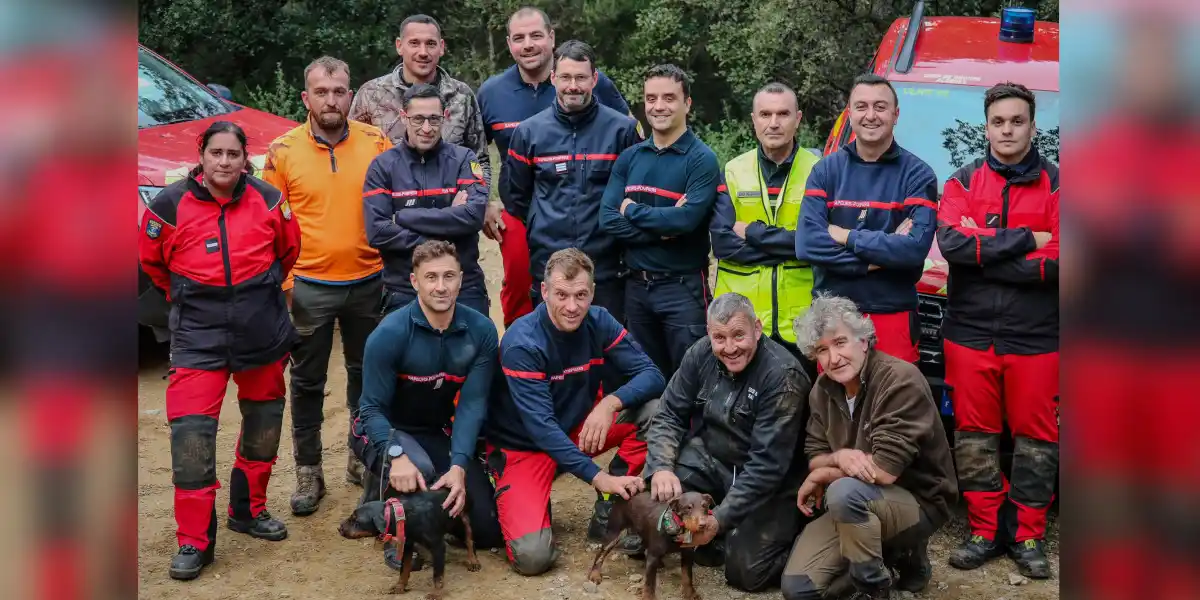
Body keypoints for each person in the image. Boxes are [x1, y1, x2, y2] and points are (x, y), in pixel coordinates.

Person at [138, 121, 301, 581]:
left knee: (264, 424)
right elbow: (152, 263)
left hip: (261, 329)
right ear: (202, 156)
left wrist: (255, 294)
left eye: (233, 154)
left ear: (244, 157)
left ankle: (248, 511)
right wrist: (191, 296)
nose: (225, 162)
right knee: (190, 438)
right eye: (216, 153)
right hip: (198, 336)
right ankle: (194, 541)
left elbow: (288, 252)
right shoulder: (167, 207)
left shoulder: (269, 199)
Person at [935, 82, 1059, 579]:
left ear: (1033, 125)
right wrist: (1029, 240)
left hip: (1037, 338)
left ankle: (1028, 535)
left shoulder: (1061, 184)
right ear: (985, 126)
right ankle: (985, 530)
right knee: (974, 438)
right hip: (969, 335)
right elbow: (952, 245)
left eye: (1017, 121)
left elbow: (1062, 265)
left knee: (1037, 440)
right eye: (998, 122)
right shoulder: (962, 181)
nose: (1007, 130)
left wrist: (985, 251)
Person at [259, 56, 393, 514]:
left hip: (369, 281)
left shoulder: (376, 142)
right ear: (306, 97)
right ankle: (308, 470)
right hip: (309, 287)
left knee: (366, 374)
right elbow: (269, 226)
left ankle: (361, 455)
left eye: (339, 91)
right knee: (307, 380)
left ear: (350, 95)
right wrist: (288, 283)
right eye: (322, 92)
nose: (331, 100)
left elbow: (391, 205)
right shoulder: (282, 152)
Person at [484, 248, 666, 575]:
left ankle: (608, 507)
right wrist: (599, 477)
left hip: (575, 429)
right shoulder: (522, 342)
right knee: (533, 558)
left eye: (581, 295)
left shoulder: (599, 321)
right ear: (544, 291)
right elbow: (542, 429)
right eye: (562, 295)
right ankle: (507, 485)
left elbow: (653, 375)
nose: (572, 306)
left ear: (592, 292)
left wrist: (610, 403)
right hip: (525, 448)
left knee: (653, 411)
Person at [781, 295, 957, 600]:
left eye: (840, 342)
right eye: (822, 350)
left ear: (863, 341)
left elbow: (885, 471)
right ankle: (890, 556)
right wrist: (838, 458)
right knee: (799, 589)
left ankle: (877, 589)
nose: (834, 358)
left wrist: (826, 475)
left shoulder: (899, 379)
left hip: (919, 499)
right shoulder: (821, 391)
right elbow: (814, 457)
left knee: (843, 494)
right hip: (857, 499)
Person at [478, 6, 636, 328]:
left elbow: (634, 174)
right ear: (554, 79)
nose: (573, 85)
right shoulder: (505, 107)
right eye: (565, 78)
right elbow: (510, 189)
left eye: (536, 35)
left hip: (605, 257)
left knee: (607, 346)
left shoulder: (618, 126)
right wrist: (490, 200)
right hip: (545, 248)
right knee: (545, 336)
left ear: (594, 79)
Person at [642, 292, 812, 592]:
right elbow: (668, 413)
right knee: (662, 496)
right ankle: (715, 530)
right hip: (715, 460)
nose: (730, 348)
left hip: (772, 482)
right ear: (709, 334)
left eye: (738, 335)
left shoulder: (782, 376)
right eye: (720, 338)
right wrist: (661, 467)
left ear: (757, 329)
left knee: (746, 574)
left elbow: (766, 467)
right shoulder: (700, 353)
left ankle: (800, 535)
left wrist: (719, 519)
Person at [351, 240, 505, 569]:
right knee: (416, 469)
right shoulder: (389, 334)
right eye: (431, 277)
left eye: (449, 276)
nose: (441, 286)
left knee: (489, 528)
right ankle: (393, 518)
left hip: (433, 430)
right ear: (414, 281)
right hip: (380, 429)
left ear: (461, 279)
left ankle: (417, 495)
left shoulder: (480, 331)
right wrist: (396, 455)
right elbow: (370, 409)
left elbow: (472, 405)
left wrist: (460, 467)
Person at [795, 74, 939, 363]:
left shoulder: (918, 174)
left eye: (880, 107)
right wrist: (877, 259)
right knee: (836, 406)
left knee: (893, 404)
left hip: (893, 313)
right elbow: (807, 245)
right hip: (833, 316)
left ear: (896, 114)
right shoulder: (825, 171)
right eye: (861, 106)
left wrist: (846, 236)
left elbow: (913, 251)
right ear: (850, 113)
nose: (870, 115)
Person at [599, 64, 719, 381]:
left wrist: (633, 210)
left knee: (692, 378)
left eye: (669, 98)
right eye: (651, 98)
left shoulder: (701, 159)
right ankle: (651, 433)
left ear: (687, 103)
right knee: (646, 378)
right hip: (636, 288)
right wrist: (663, 229)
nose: (658, 106)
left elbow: (687, 220)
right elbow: (608, 219)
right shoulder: (630, 157)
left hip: (683, 289)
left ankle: (692, 433)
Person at [710, 82, 821, 380]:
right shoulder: (733, 170)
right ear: (753, 120)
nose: (774, 123)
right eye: (765, 114)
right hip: (740, 322)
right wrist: (791, 247)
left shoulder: (820, 170)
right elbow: (722, 243)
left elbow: (818, 241)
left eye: (783, 114)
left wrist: (754, 233)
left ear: (798, 119)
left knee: (803, 408)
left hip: (802, 320)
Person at [363, 84, 489, 316]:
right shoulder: (382, 166)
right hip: (404, 287)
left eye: (434, 119)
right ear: (403, 117)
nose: (427, 128)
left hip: (463, 285)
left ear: (446, 117)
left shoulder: (464, 159)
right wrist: (450, 221)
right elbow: (378, 231)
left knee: (476, 351)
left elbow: (473, 216)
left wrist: (402, 217)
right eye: (418, 119)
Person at [350, 14, 490, 184]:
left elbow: (479, 160)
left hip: (451, 205)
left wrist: (477, 198)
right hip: (389, 204)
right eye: (414, 43)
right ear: (399, 46)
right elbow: (350, 155)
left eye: (430, 44)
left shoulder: (461, 95)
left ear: (442, 47)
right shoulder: (371, 94)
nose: (423, 52)